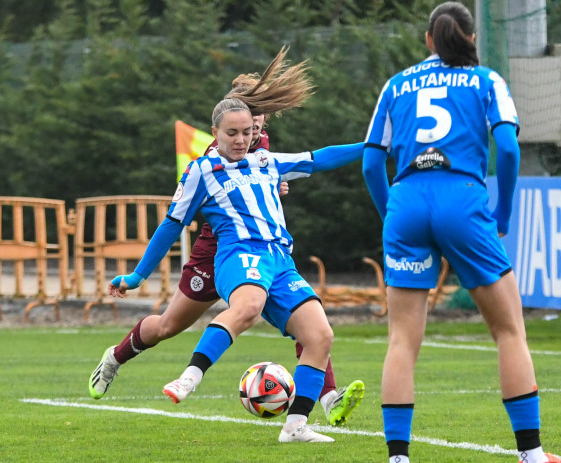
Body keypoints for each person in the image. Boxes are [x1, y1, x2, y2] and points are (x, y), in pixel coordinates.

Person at [96, 50, 365, 443]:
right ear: (217, 131)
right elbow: (174, 223)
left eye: (252, 128)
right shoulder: (205, 166)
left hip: (274, 256)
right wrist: (138, 274)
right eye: (236, 130)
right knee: (179, 323)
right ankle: (151, 368)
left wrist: (374, 146)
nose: (246, 135)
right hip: (223, 253)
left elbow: (316, 159)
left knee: (318, 333)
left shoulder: (265, 156)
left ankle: (304, 419)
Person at [362, 3, 561, 463]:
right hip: (463, 201)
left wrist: (390, 211)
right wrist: (504, 213)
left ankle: (397, 457)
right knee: (509, 332)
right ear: (471, 39)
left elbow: (372, 161)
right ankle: (532, 455)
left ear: (429, 40)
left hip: (408, 201)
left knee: (401, 341)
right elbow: (508, 149)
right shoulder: (487, 80)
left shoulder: (396, 85)